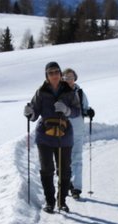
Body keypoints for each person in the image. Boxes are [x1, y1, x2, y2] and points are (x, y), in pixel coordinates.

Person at [24, 61, 81, 213]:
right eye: (51, 73)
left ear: (60, 73)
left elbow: (77, 111)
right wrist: (29, 113)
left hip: (64, 136)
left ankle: (61, 201)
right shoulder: (41, 91)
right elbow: (34, 113)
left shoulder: (68, 90)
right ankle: (49, 202)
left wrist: (67, 110)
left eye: (56, 72)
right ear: (47, 76)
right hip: (45, 136)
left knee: (64, 171)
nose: (54, 75)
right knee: (47, 169)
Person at [62, 68, 95, 200]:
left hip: (77, 130)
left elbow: (85, 108)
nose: (69, 79)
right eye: (66, 77)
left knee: (77, 158)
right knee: (64, 160)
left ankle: (76, 188)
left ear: (75, 78)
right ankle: (66, 182)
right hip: (63, 130)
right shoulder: (60, 93)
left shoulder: (80, 93)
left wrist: (89, 112)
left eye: (71, 77)